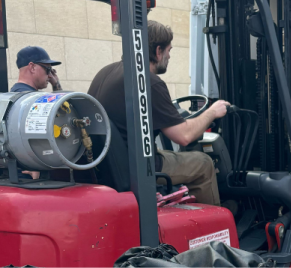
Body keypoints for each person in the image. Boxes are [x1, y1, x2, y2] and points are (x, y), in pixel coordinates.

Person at [88, 20, 229, 206]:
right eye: (169, 50)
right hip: (138, 167)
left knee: (170, 154)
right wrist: (212, 112)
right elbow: (184, 136)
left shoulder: (106, 72)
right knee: (203, 163)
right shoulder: (148, 81)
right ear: (158, 51)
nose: (169, 56)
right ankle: (213, 220)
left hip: (110, 164)